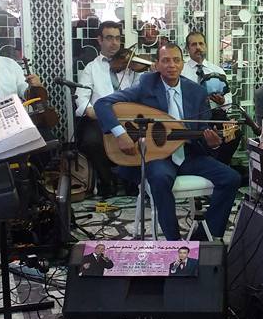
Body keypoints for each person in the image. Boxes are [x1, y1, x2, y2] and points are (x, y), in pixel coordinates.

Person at [95, 43, 240, 241]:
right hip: (157, 158)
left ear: (182, 65)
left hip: (189, 155)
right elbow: (102, 104)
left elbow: (201, 136)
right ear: (156, 65)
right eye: (165, 60)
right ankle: (173, 244)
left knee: (231, 178)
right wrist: (120, 133)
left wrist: (213, 143)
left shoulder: (196, 92)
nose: (171, 65)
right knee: (161, 179)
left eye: (176, 60)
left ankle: (205, 239)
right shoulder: (146, 85)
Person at [74, 21, 138, 197]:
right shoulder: (91, 68)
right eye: (109, 38)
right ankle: (107, 182)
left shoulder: (131, 66)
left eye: (118, 38)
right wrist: (89, 110)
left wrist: (150, 69)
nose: (114, 43)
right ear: (99, 40)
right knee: (91, 142)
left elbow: (144, 89)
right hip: (100, 118)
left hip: (128, 117)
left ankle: (132, 181)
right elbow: (81, 96)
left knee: (141, 136)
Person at [181, 31, 239, 164]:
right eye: (194, 44)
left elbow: (228, 98)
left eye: (201, 44)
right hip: (191, 119)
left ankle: (221, 164)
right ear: (187, 48)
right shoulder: (181, 71)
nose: (198, 47)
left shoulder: (217, 70)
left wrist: (223, 101)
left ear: (206, 46)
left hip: (216, 117)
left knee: (234, 133)